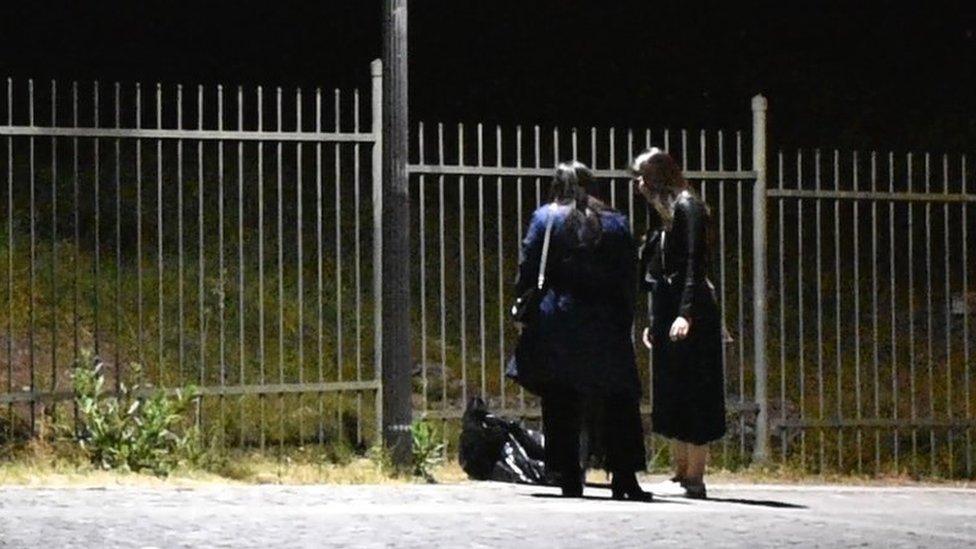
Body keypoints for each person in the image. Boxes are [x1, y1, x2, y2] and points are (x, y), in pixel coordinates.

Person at [515, 161, 649, 500]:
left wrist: (523, 299)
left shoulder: (546, 218)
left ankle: (568, 475)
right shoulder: (616, 222)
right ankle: (624, 477)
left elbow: (529, 266)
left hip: (558, 321)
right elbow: (627, 277)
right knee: (618, 401)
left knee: (562, 401)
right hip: (606, 323)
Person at [633, 148, 726, 499]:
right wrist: (656, 319)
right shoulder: (665, 214)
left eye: (642, 176)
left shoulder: (689, 208)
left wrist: (685, 313)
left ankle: (695, 475)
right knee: (673, 389)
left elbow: (693, 266)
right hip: (670, 306)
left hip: (690, 310)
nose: (638, 184)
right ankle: (681, 469)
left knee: (694, 389)